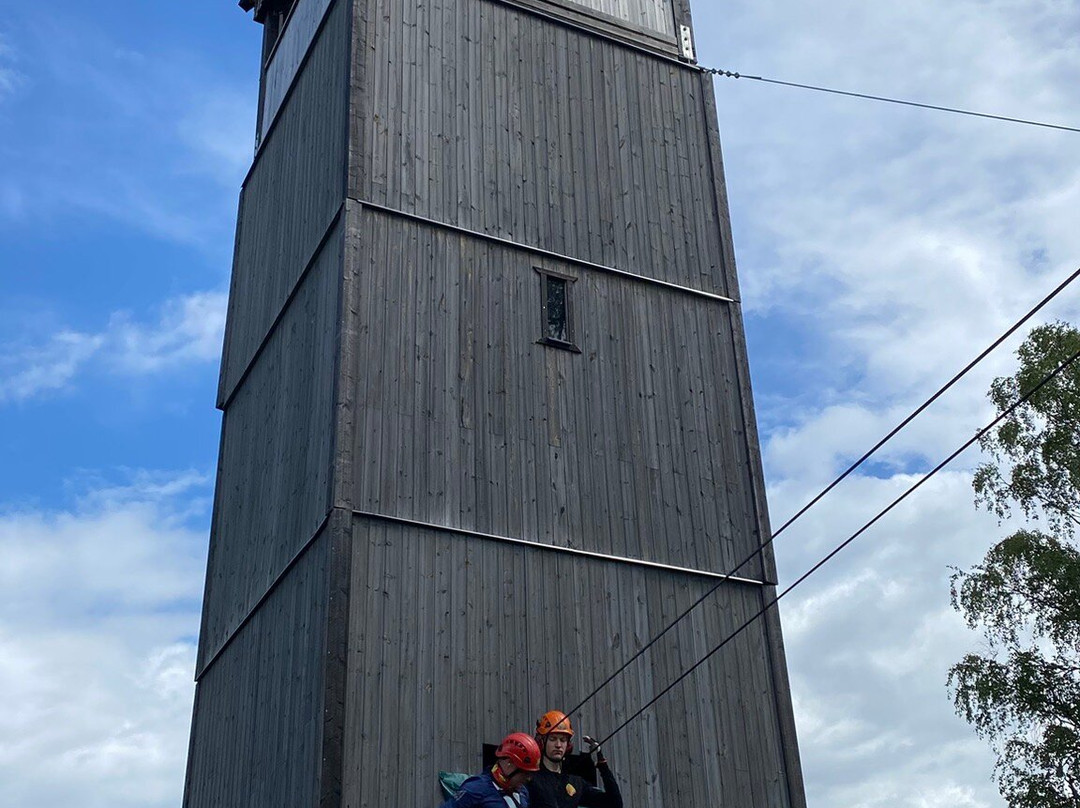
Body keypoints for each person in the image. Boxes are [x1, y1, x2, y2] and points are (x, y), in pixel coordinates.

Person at [526, 710, 623, 808]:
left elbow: (615, 803)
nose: (558, 745)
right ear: (541, 742)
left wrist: (602, 763)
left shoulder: (576, 783)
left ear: (568, 744)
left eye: (563, 740)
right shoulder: (530, 779)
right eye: (553, 739)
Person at [443, 732, 541, 807]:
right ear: (509, 764)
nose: (528, 778)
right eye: (525, 773)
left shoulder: (522, 792)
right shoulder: (476, 789)